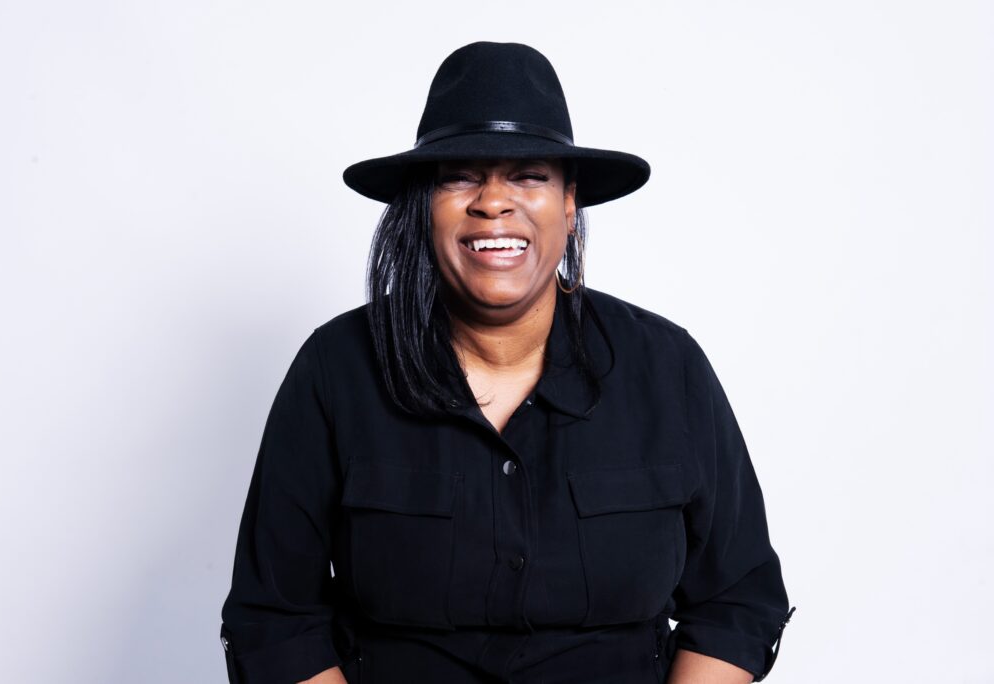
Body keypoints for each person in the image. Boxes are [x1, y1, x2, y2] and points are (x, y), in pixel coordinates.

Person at [220, 41, 795, 684]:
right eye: (460, 176)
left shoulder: (668, 368)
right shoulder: (335, 370)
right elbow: (273, 621)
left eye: (528, 175)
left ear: (570, 203)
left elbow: (737, 603)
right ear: (422, 206)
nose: (493, 201)